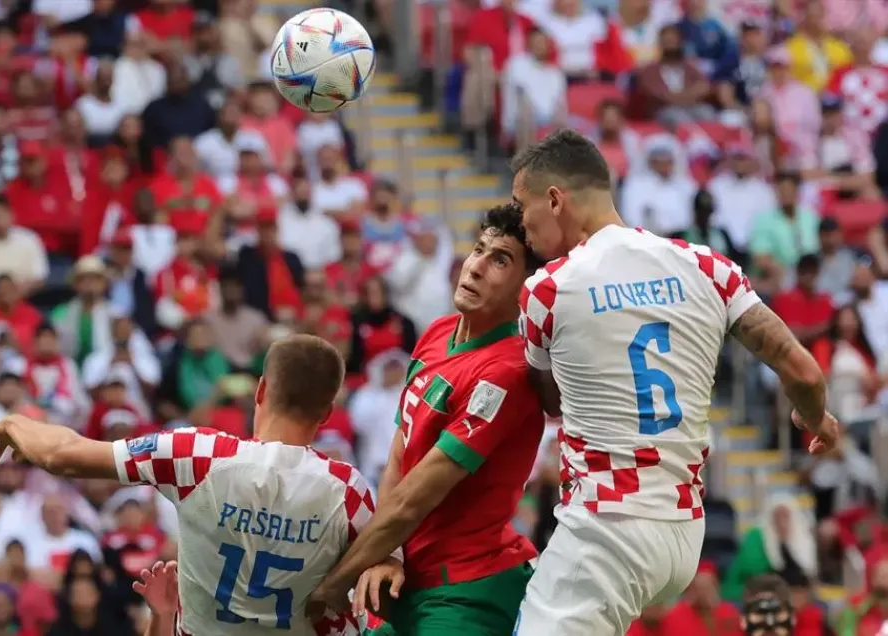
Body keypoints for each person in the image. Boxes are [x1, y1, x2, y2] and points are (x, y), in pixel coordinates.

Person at [508, 129, 840, 636]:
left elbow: (549, 401)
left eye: (521, 205)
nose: (519, 223)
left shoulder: (548, 289)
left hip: (607, 525)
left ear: (555, 200)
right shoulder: (707, 266)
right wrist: (816, 419)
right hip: (684, 534)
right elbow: (803, 371)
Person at [0, 335, 391, 636]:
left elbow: (63, 454)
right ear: (327, 413)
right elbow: (387, 567)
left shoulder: (197, 454)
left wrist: (13, 421)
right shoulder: (348, 491)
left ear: (260, 390)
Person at [309, 205, 547, 635]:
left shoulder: (505, 372)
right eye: (479, 250)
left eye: (500, 260)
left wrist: (330, 588)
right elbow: (401, 453)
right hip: (405, 579)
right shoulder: (437, 332)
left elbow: (415, 498)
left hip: (468, 591)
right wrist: (389, 554)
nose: (475, 267)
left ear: (525, 289)